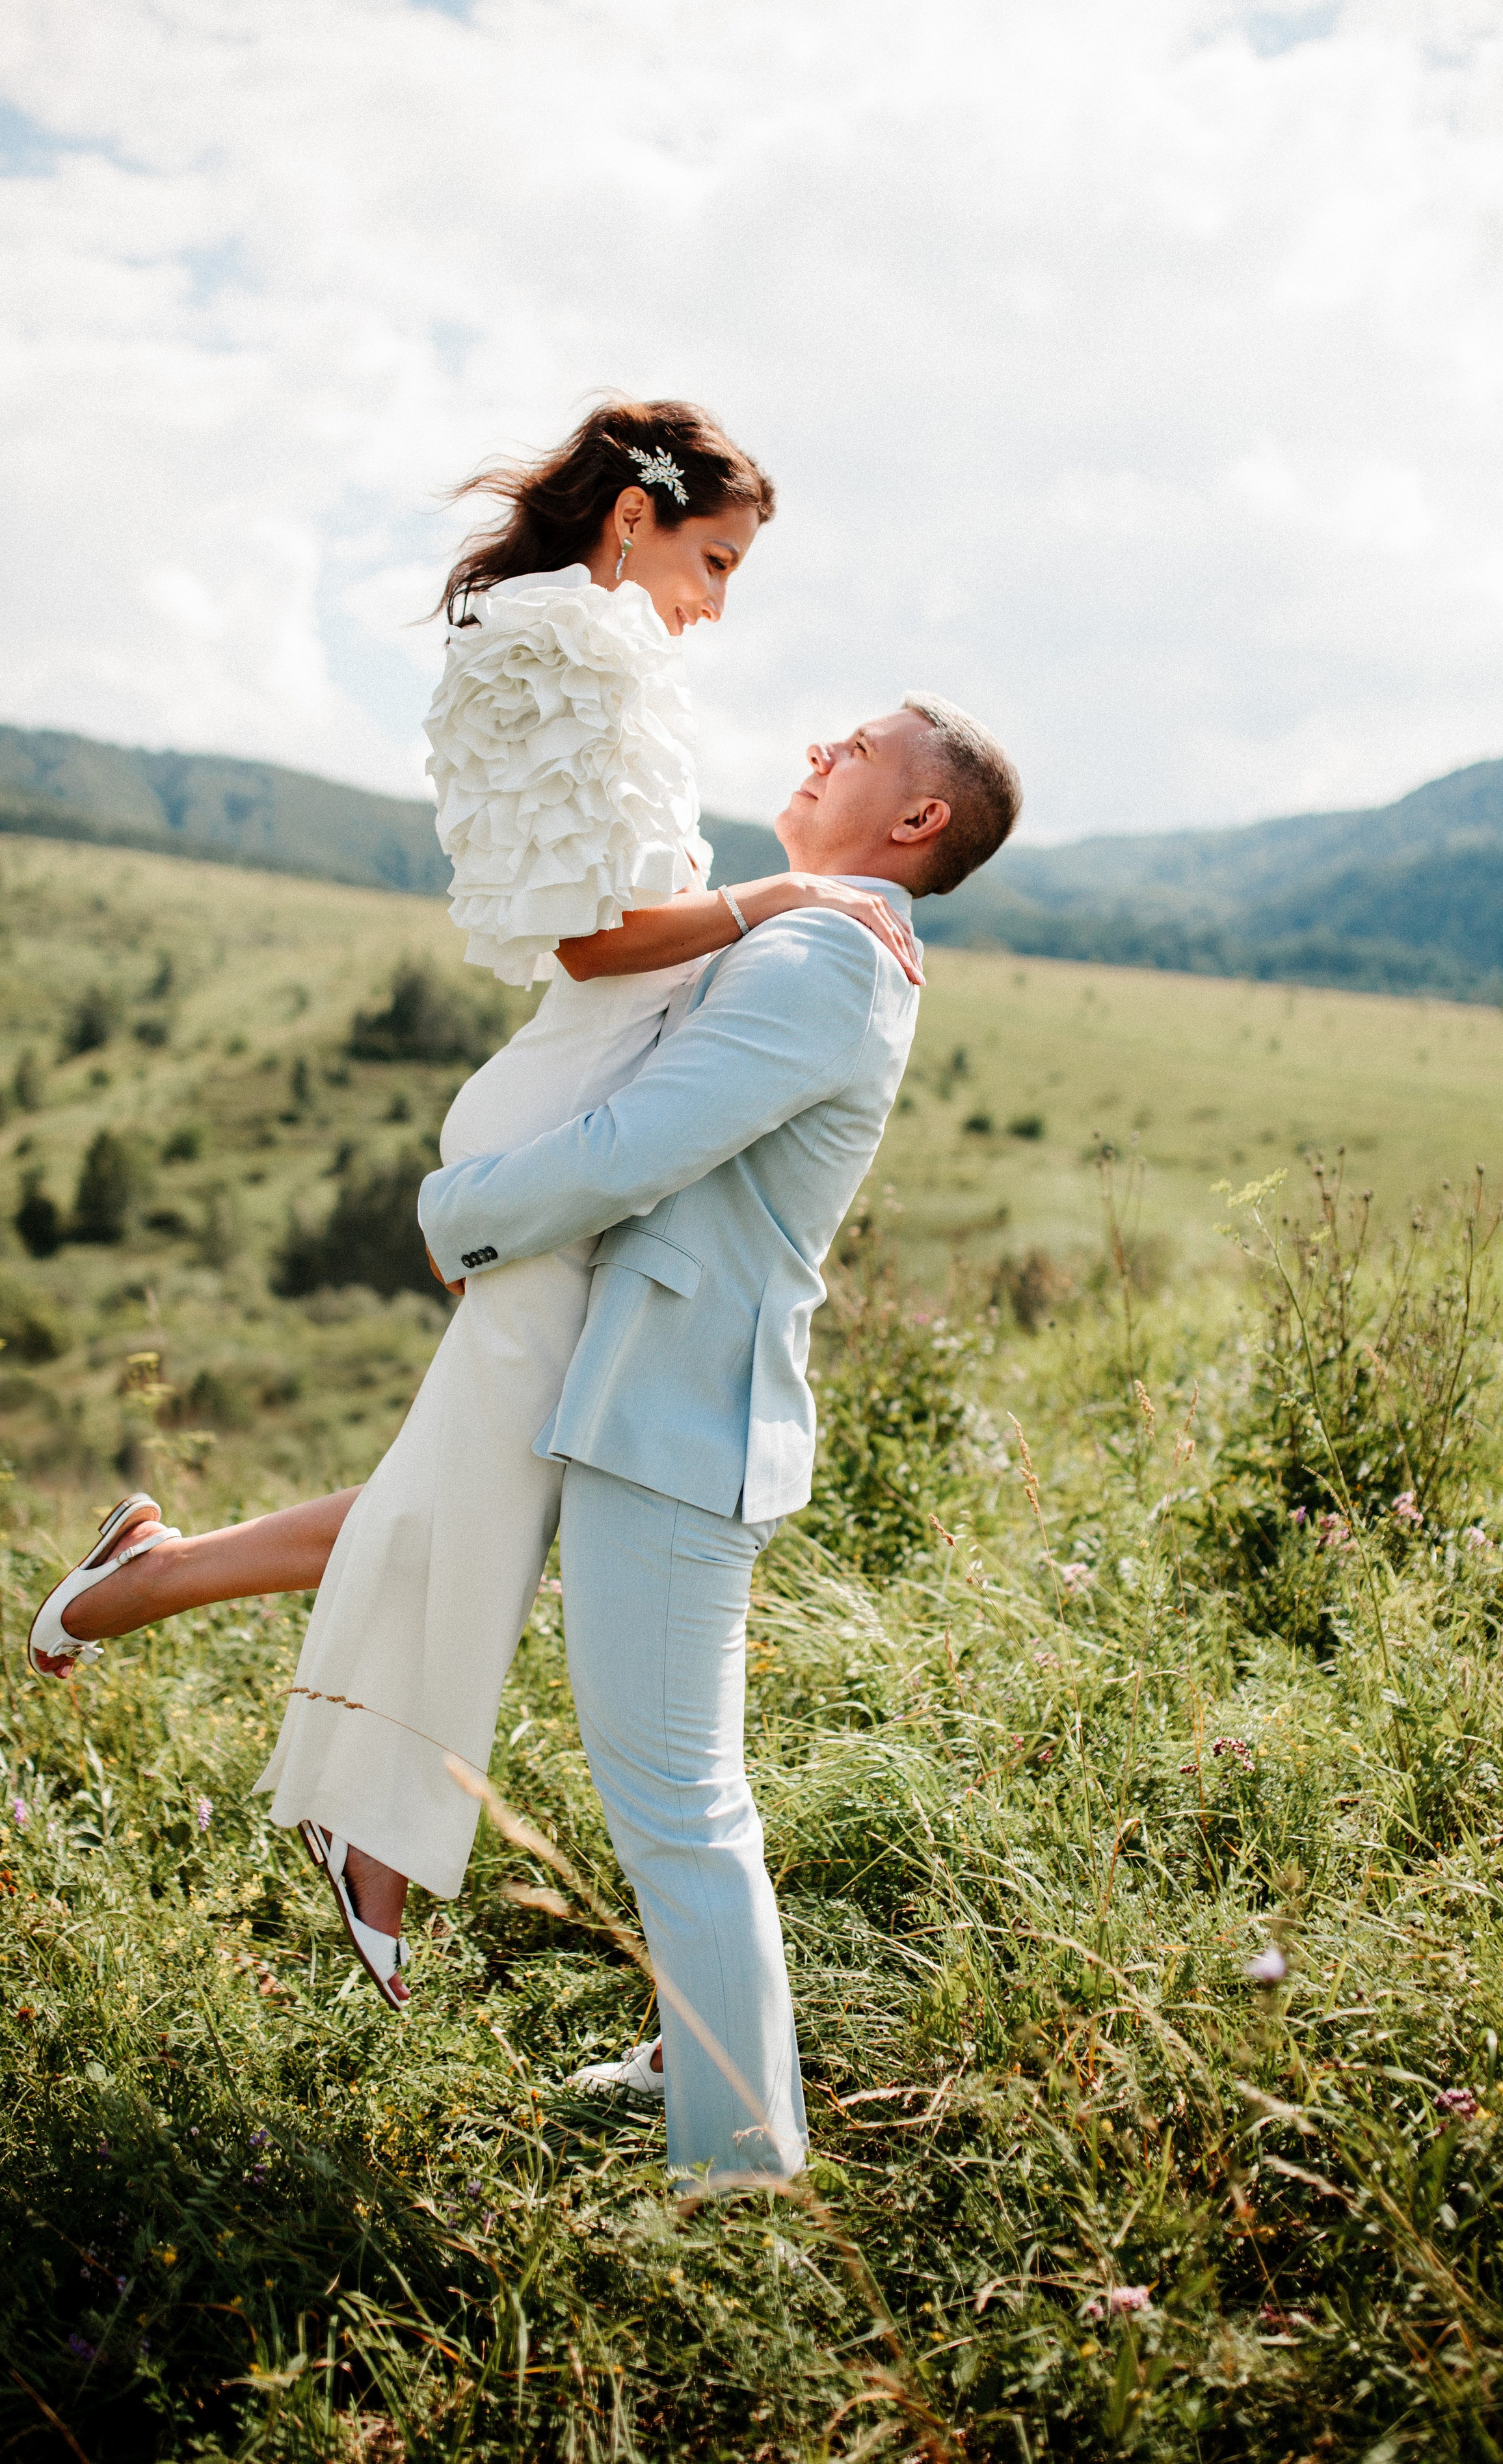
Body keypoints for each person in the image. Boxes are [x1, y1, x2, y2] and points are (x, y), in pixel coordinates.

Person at [25, 399, 920, 2009]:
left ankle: (165, 1603)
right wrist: (783, 896)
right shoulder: (563, 647)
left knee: (472, 1488)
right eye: (713, 561)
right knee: (487, 1501)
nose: (719, 602)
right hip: (561, 1108)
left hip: (573, 1103)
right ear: (635, 522)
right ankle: (365, 1832)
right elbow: (589, 941)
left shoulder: (598, 646)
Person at [417, 691, 1022, 2181]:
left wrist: (458, 1214)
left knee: (680, 1810)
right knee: (668, 1787)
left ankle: (740, 2168)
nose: (819, 744)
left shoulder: (826, 953)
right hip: (658, 1395)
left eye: (859, 747)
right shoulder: (814, 924)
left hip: (680, 1418)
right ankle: (700, 2056)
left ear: (915, 818)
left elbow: (642, 1148)